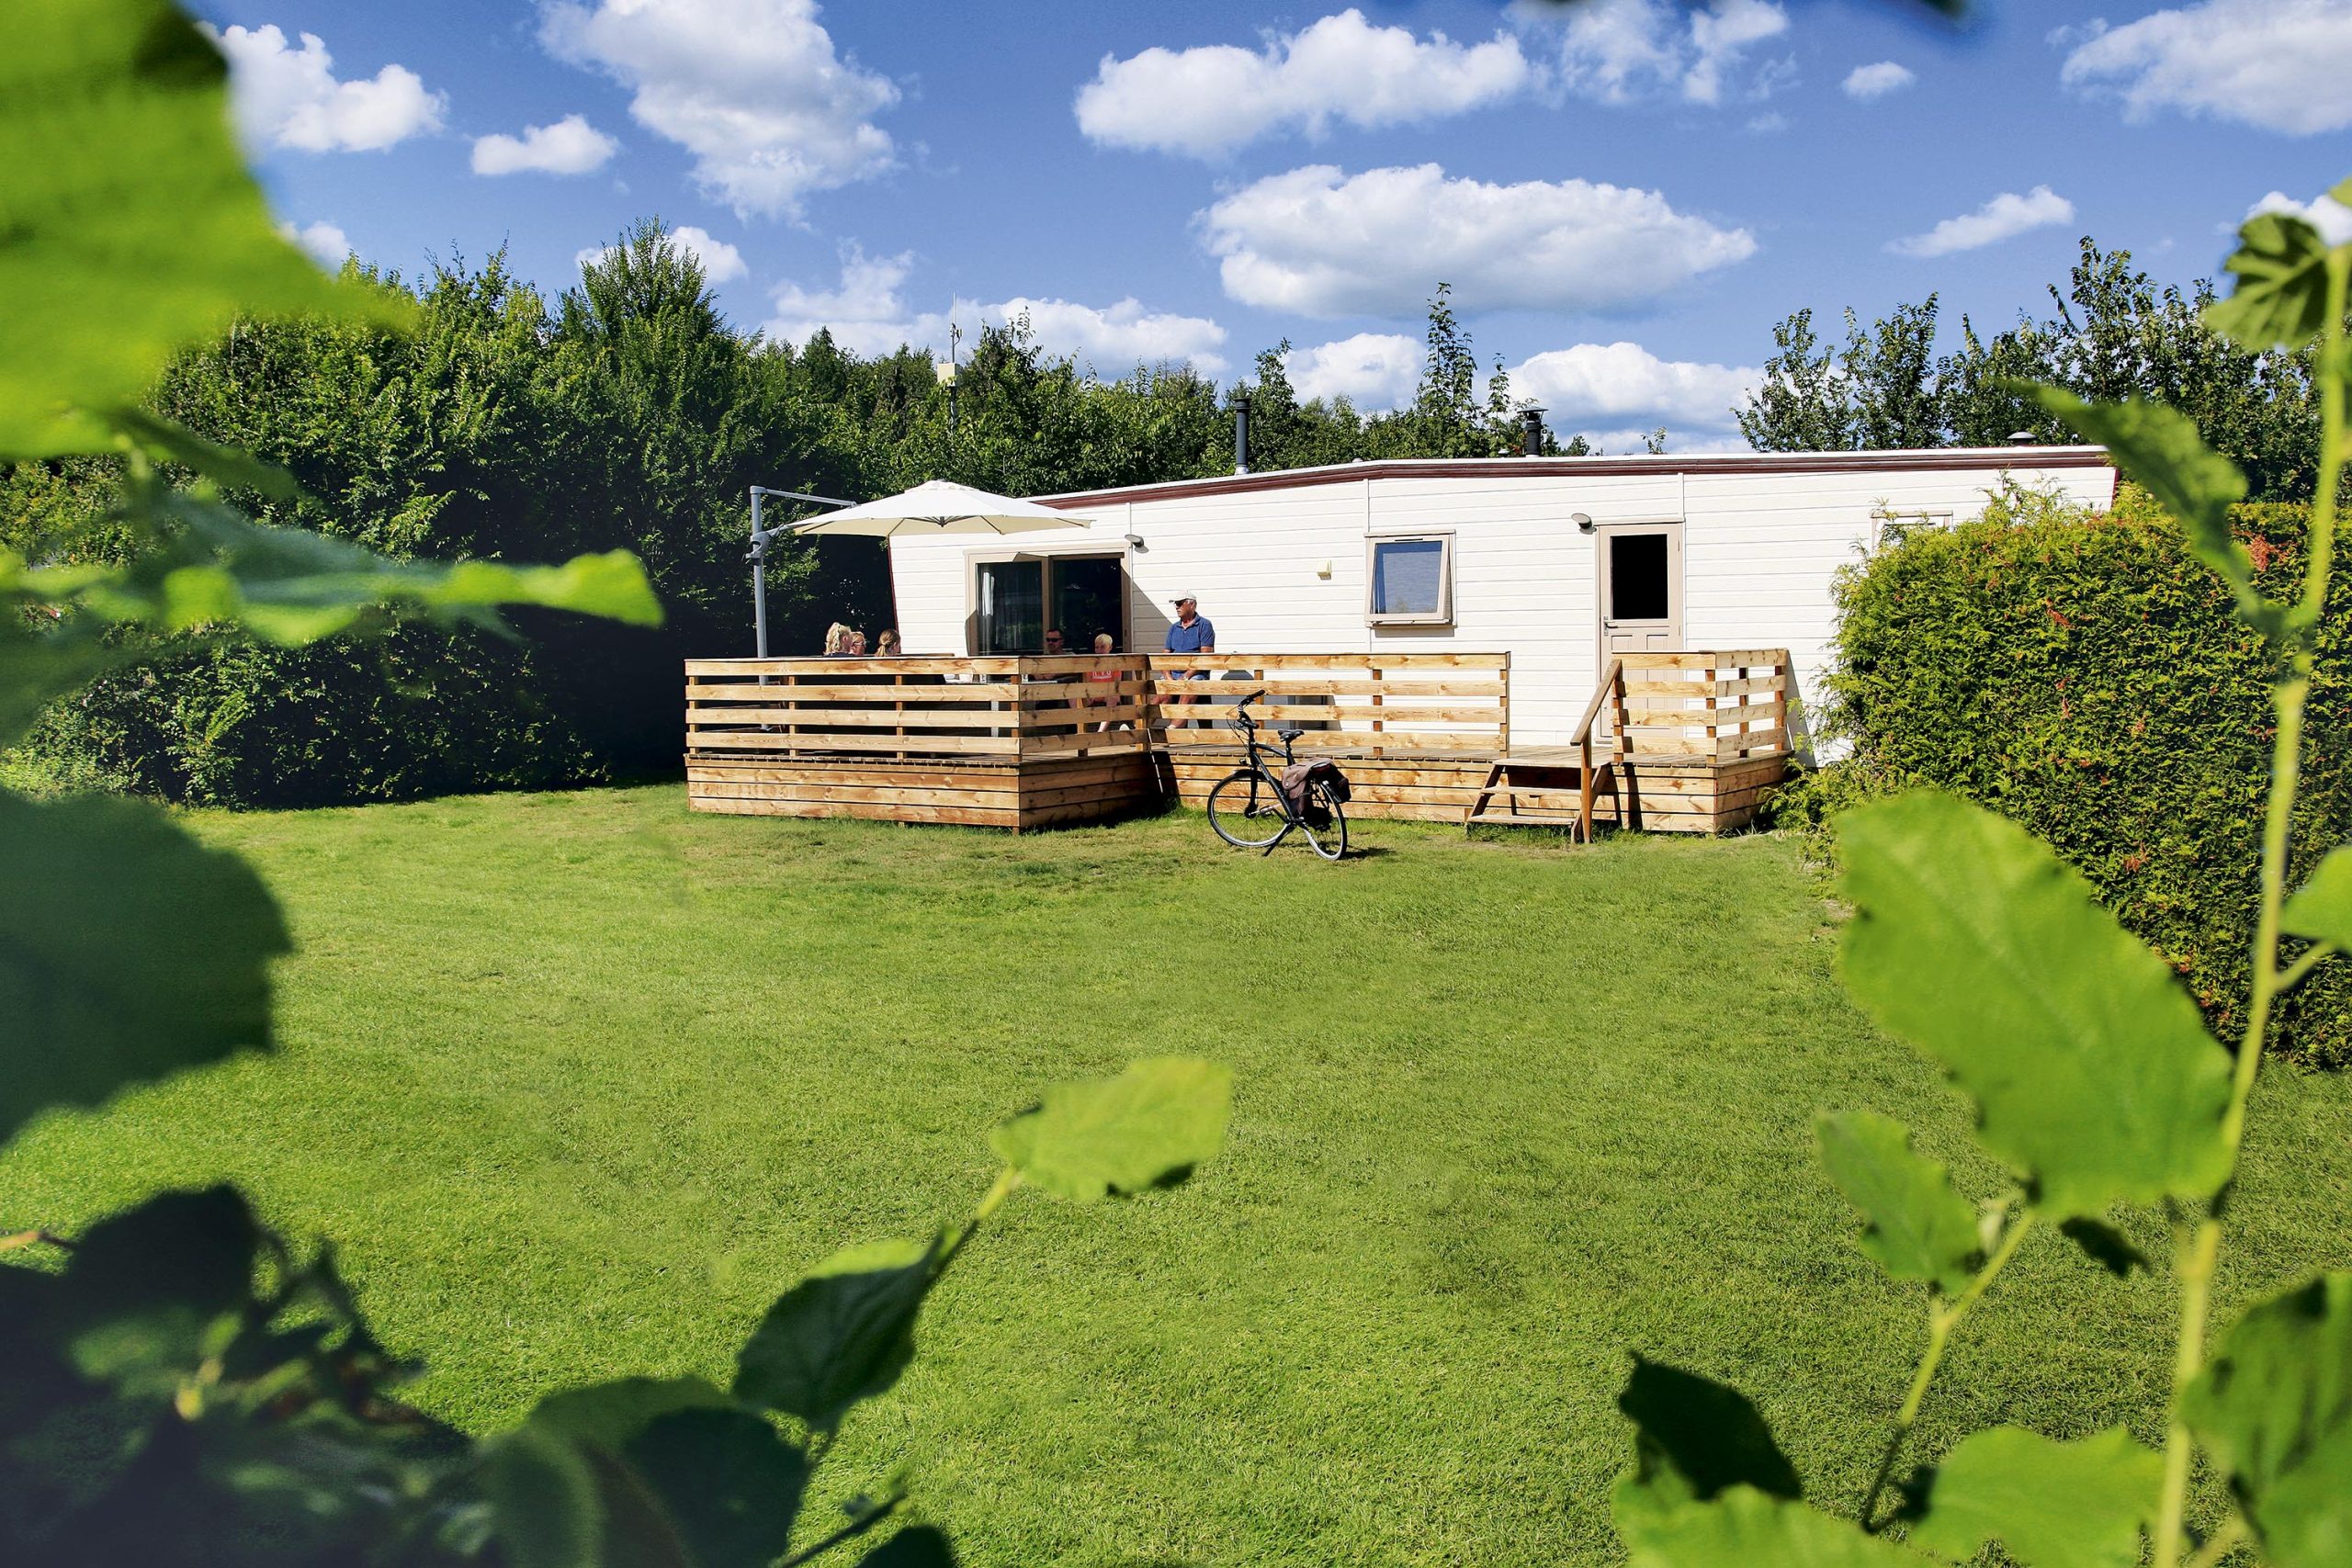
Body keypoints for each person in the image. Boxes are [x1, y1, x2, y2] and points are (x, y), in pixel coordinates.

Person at [1164, 594, 1215, 724]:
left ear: (1191, 604)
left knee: (1188, 690)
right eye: (1175, 604)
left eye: (1180, 603)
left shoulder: (1204, 625)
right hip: (1174, 674)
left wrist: (1186, 675)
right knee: (1160, 695)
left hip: (1196, 674)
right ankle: (1137, 730)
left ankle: (1172, 730)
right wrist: (1168, 677)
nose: (1177, 607)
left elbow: (1205, 656)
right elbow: (1164, 656)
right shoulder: (1173, 628)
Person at [1083, 632, 1124, 730]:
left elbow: (1116, 685)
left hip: (1109, 694)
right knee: (1078, 697)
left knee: (1113, 698)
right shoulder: (1091, 664)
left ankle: (1100, 731)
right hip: (1094, 694)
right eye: (1097, 647)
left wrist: (1105, 694)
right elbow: (1088, 684)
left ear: (1110, 647)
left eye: (1102, 647)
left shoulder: (1115, 664)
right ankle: (1081, 730)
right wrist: (1091, 695)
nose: (1099, 650)